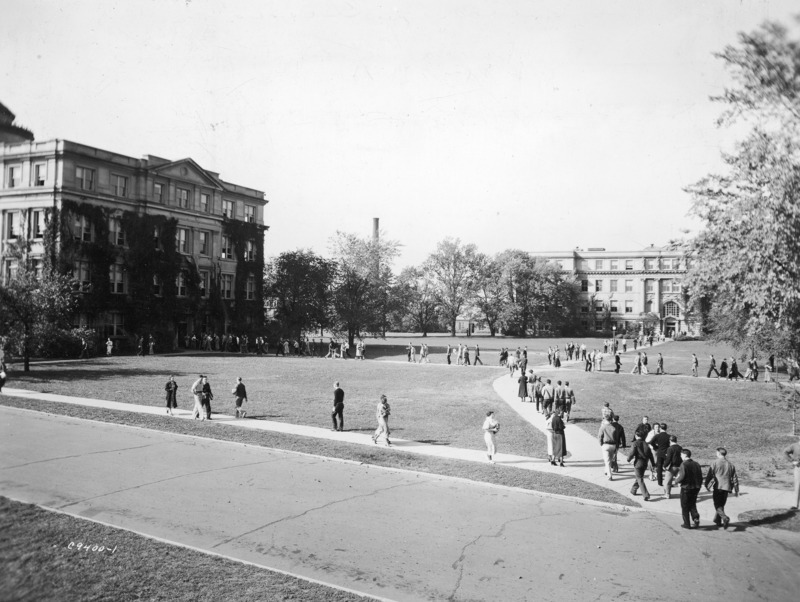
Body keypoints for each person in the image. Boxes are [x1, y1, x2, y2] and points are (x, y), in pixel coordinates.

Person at [704, 447, 739, 528]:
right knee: (721, 504)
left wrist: (706, 485)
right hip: (727, 487)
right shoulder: (730, 464)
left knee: (717, 504)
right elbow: (735, 478)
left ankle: (724, 518)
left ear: (719, 453)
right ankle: (718, 521)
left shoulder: (715, 462)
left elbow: (710, 474)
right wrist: (736, 490)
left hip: (718, 486)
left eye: (716, 452)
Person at [675, 448, 703, 529]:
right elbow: (700, 476)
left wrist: (676, 481)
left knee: (685, 505)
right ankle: (695, 517)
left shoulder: (684, 464)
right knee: (692, 503)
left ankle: (687, 523)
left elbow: (682, 476)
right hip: (696, 487)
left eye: (681, 455)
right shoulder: (696, 464)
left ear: (684, 455)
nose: (680, 456)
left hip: (686, 487)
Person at [627, 432, 653, 501]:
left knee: (639, 478)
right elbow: (650, 455)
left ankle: (645, 495)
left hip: (638, 463)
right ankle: (633, 490)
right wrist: (653, 463)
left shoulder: (635, 443)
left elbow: (631, 453)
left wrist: (628, 459)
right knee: (639, 477)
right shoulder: (646, 444)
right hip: (645, 463)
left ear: (636, 436)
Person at [598, 414, 618, 480]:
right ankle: (606, 470)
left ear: (605, 420)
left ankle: (609, 475)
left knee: (607, 461)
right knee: (610, 459)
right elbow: (616, 438)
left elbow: (600, 436)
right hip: (613, 445)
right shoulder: (613, 428)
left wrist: (601, 444)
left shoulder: (603, 427)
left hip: (605, 445)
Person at [783, 435, 800, 510]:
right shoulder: (794, 446)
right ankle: (795, 505)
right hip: (798, 468)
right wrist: (792, 461)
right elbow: (785, 452)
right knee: (797, 486)